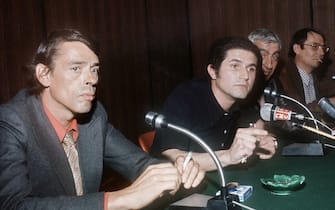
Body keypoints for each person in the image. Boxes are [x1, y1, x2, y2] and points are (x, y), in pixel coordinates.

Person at [0, 29, 205, 210]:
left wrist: (173, 171)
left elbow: (138, 163)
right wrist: (119, 200)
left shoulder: (94, 116)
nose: (92, 79)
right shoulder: (11, 121)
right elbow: (13, 205)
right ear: (44, 74)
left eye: (94, 69)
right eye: (76, 68)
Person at [150, 37, 277, 172]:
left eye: (251, 68)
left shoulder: (242, 98)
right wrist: (228, 156)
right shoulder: (185, 97)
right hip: (170, 185)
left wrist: (265, 140)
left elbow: (257, 122)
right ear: (213, 71)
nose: (245, 76)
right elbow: (173, 156)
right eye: (235, 66)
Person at [248, 28, 283, 106]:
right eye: (262, 55)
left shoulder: (276, 88)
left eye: (275, 57)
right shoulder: (235, 91)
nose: (269, 65)